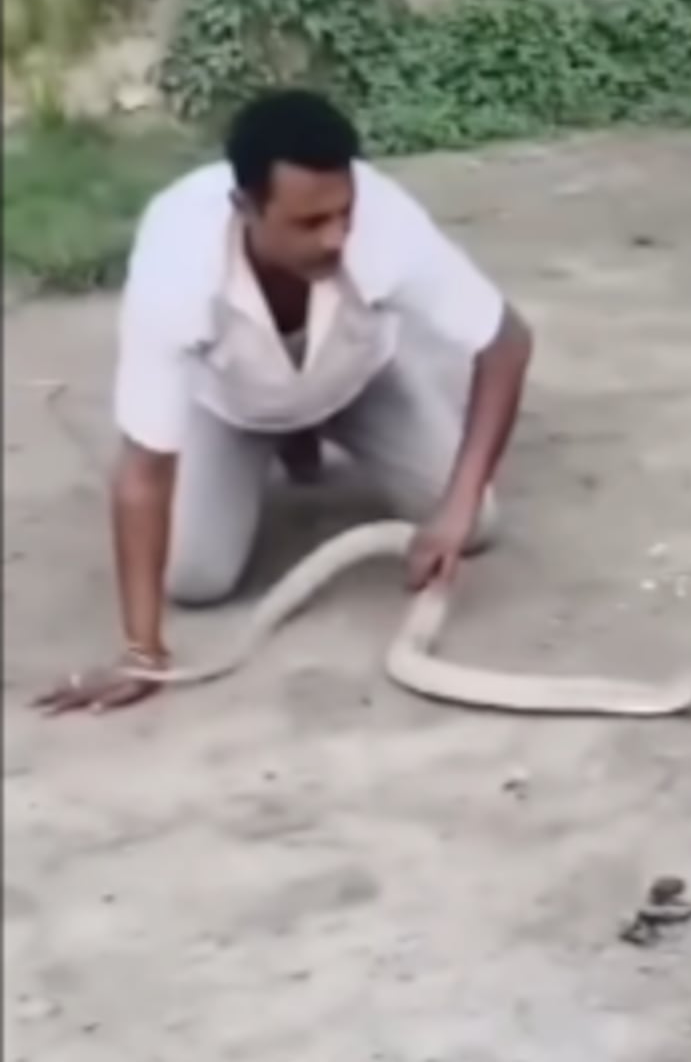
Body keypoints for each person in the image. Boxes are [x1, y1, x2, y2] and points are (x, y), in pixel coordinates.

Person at [39, 88, 533, 715]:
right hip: (234, 403)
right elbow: (143, 475)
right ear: (245, 207)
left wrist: (459, 504)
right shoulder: (177, 262)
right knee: (195, 580)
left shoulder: (383, 221)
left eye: (343, 215)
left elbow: (506, 341)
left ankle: (331, 424)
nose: (336, 237)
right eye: (308, 223)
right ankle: (243, 432)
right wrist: (142, 652)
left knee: (477, 527)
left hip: (360, 377)